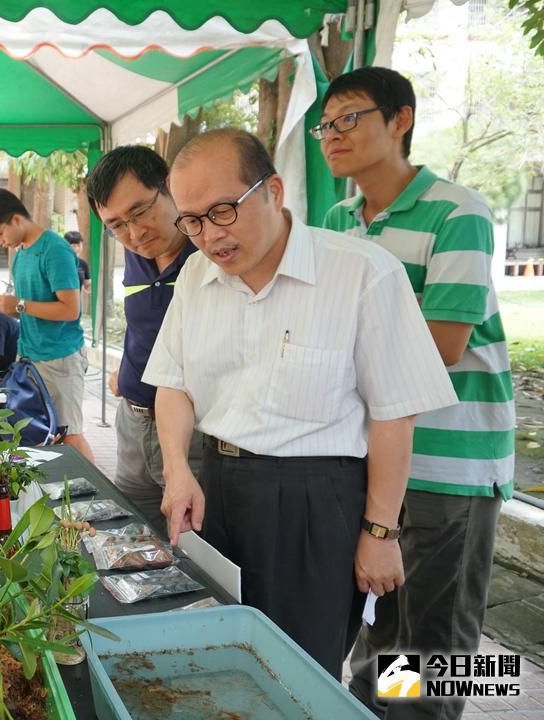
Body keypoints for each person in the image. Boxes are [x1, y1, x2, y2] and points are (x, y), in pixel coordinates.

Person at [144, 129, 457, 678]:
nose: (209, 237)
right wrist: (176, 472)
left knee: (298, 670)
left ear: (273, 190)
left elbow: (394, 414)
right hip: (217, 482)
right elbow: (174, 385)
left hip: (315, 499)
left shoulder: (361, 272)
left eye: (222, 211)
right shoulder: (196, 275)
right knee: (216, 653)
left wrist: (380, 533)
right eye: (191, 221)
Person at [317, 67, 515, 718]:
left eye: (350, 119)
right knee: (379, 625)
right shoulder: (338, 222)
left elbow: (444, 344)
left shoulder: (459, 212)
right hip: (378, 463)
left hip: (448, 464)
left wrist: (330, 354)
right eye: (325, 124)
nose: (332, 136)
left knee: (433, 645)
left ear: (400, 119)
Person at [85, 145, 198, 525]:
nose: (134, 233)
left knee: (193, 550)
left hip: (193, 435)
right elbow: (142, 326)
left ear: (168, 187)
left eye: (140, 211)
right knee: (130, 536)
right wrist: (127, 371)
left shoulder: (210, 252)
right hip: (133, 423)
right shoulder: (135, 253)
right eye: (116, 225)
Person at [0, 189, 95, 462]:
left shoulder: (54, 249)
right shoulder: (20, 255)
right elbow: (31, 310)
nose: (0, 240)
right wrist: (1, 306)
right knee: (41, 434)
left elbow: (70, 309)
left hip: (59, 359)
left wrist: (18, 305)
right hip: (30, 360)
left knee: (70, 435)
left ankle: (96, 501)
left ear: (16, 219)